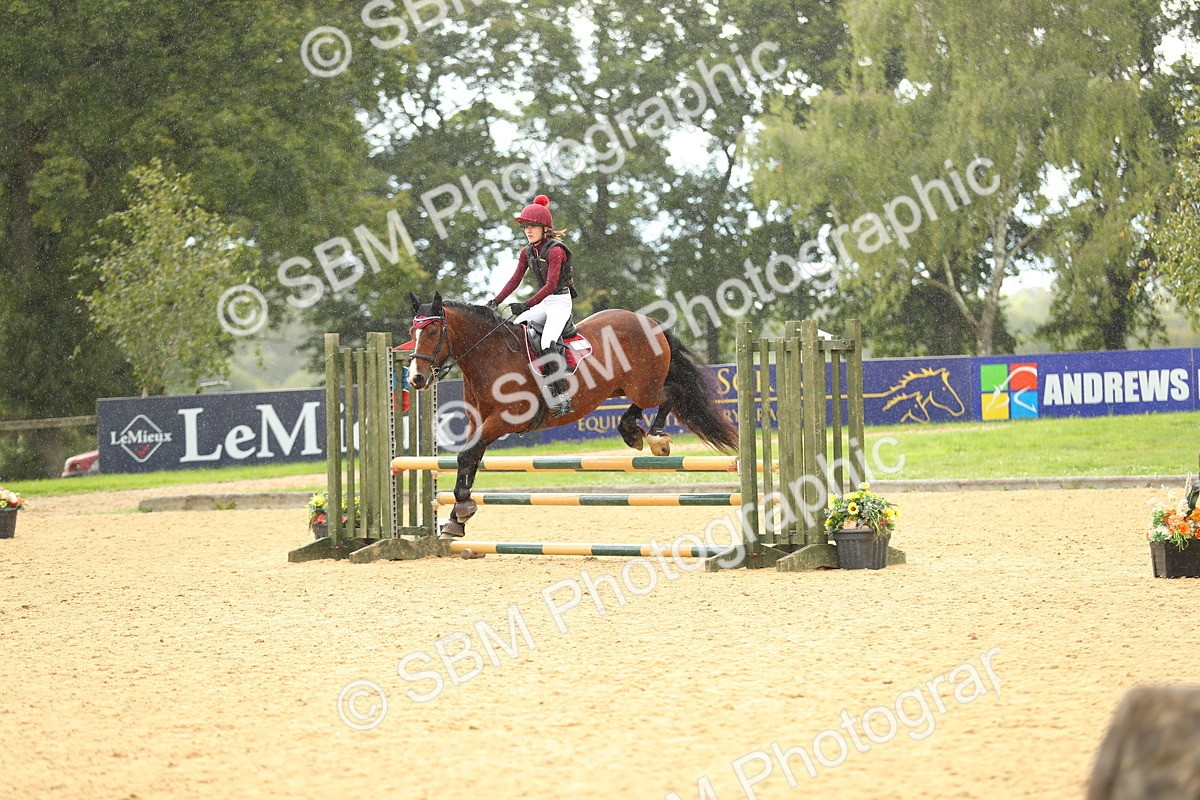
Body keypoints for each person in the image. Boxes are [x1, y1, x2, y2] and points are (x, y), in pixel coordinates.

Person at [489, 195, 578, 417]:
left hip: (559, 302)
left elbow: (550, 285)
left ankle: (562, 397)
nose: (528, 231)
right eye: (526, 226)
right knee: (516, 328)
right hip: (544, 302)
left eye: (533, 226)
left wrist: (527, 304)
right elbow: (515, 279)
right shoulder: (526, 252)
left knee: (548, 341)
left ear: (545, 228)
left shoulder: (555, 251)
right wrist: (496, 300)